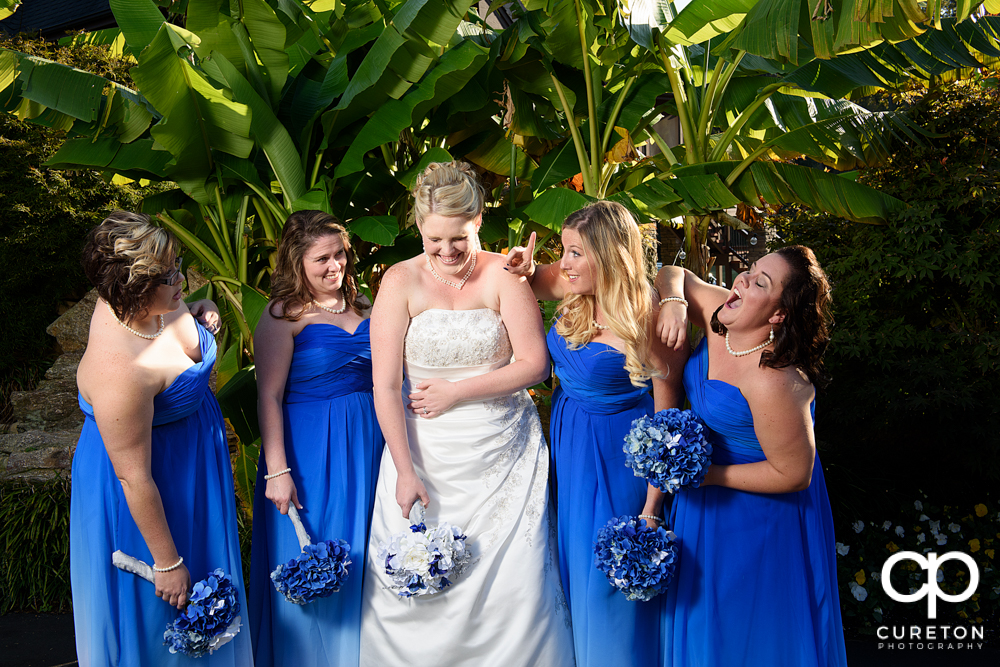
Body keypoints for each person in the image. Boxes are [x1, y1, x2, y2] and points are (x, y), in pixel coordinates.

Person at [359, 161, 574, 666]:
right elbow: (385, 385)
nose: (448, 251)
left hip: (503, 457)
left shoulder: (505, 272)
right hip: (422, 454)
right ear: (419, 228)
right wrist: (405, 471)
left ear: (478, 220)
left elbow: (535, 364)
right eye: (435, 240)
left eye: (459, 237)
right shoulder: (399, 281)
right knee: (419, 590)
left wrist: (458, 392)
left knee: (511, 586)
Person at [505, 201, 685, 667]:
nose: (563, 263)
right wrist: (524, 268)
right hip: (572, 448)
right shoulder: (571, 284)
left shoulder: (648, 321)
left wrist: (651, 508)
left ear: (608, 256)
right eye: (564, 251)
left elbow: (665, 427)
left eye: (575, 253)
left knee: (608, 585)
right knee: (574, 570)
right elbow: (531, 276)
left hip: (617, 459)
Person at [70, 211, 252, 666]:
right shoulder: (120, 372)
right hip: (149, 484)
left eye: (176, 265)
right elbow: (133, 478)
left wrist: (195, 311)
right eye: (167, 274)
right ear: (131, 287)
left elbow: (179, 334)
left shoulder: (155, 299)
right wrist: (166, 562)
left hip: (190, 468)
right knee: (165, 621)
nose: (180, 278)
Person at [653, 246, 848, 666]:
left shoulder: (776, 381)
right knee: (703, 625)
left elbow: (795, 473)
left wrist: (705, 476)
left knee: (747, 633)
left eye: (761, 282)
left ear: (778, 315)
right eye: (750, 270)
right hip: (702, 501)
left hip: (755, 515)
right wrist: (672, 304)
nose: (741, 280)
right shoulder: (722, 312)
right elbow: (674, 272)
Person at [248, 211, 383, 666]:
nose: (334, 266)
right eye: (321, 259)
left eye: (339, 253)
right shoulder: (282, 316)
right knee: (320, 556)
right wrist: (278, 471)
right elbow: (267, 396)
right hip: (310, 453)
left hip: (368, 444)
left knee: (365, 554)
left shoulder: (363, 304)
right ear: (296, 263)